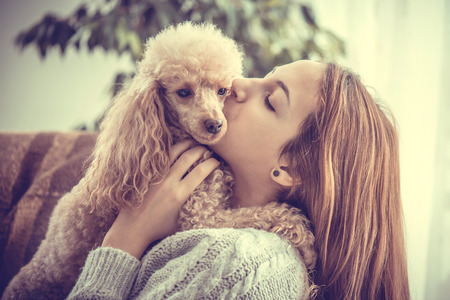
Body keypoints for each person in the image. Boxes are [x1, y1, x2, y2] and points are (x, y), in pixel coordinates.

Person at [67, 60, 410, 300]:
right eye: (263, 75)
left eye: (270, 101)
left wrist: (127, 237)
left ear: (291, 168)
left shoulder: (238, 264)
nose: (238, 83)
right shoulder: (180, 205)